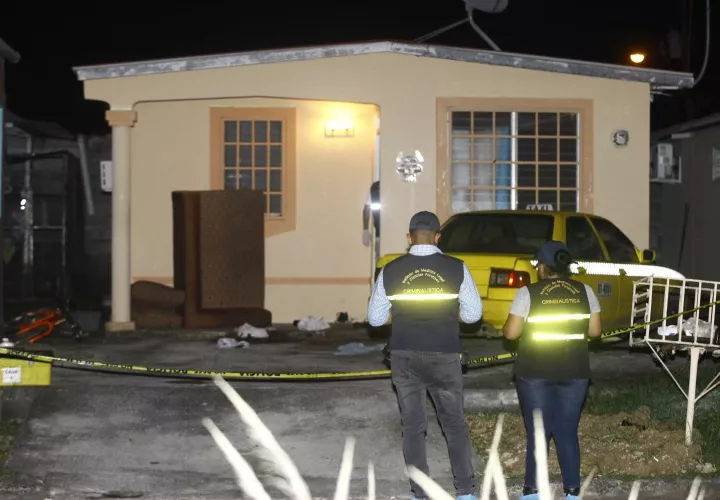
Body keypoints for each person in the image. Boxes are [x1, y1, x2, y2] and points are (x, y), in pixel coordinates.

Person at [367, 211, 483, 500]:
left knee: (413, 427)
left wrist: (401, 314)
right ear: (438, 237)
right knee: (454, 425)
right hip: (444, 355)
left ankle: (419, 492)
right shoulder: (456, 268)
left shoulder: (391, 270)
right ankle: (465, 491)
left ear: (409, 237)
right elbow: (473, 315)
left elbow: (375, 319)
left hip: (404, 356)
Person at [501, 241, 602, 500]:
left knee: (539, 432)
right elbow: (595, 331)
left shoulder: (528, 293)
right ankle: (572, 492)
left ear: (543, 267)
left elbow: (511, 333)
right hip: (574, 371)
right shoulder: (585, 291)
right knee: (567, 431)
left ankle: (532, 492)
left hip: (535, 371)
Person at [362, 181, 380, 259]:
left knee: (381, 261)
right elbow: (367, 209)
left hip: (380, 236)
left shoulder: (375, 187)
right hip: (383, 235)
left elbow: (366, 209)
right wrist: (365, 231)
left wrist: (365, 230)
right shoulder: (375, 188)